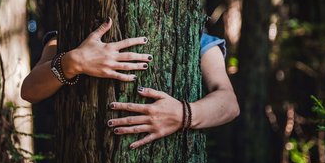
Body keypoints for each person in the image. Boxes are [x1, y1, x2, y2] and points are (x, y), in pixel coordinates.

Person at [21, 18, 239, 149]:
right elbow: (30, 90)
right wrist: (74, 61)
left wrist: (184, 114)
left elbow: (229, 103)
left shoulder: (196, 39)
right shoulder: (68, 34)